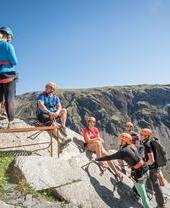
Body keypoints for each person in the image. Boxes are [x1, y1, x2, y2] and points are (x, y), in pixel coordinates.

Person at [96, 133, 151, 208]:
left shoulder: (123, 151)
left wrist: (98, 159)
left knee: (144, 197)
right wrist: (132, 164)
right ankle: (138, 194)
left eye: (120, 139)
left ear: (123, 140)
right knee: (141, 190)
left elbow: (109, 157)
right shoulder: (132, 146)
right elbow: (137, 157)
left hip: (139, 174)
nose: (118, 140)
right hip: (145, 169)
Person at [83, 116, 123, 180]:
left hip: (97, 146)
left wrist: (99, 140)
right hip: (89, 146)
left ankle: (116, 172)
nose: (93, 123)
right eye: (91, 121)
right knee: (98, 143)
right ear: (88, 122)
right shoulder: (85, 130)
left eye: (94, 122)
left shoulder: (95, 129)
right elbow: (88, 140)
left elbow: (100, 139)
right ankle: (99, 160)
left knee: (107, 156)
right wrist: (97, 139)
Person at [140, 128, 166, 208]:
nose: (140, 136)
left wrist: (144, 163)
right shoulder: (149, 142)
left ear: (145, 135)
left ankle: (161, 205)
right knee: (154, 184)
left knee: (155, 185)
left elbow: (151, 160)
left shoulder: (147, 144)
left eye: (141, 134)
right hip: (155, 167)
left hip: (153, 168)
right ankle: (160, 203)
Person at [0, 26, 18, 125]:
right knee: (9, 98)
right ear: (8, 35)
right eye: (10, 37)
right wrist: (6, 62)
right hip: (9, 75)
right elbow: (15, 62)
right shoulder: (8, 46)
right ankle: (11, 121)